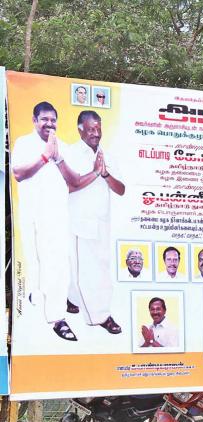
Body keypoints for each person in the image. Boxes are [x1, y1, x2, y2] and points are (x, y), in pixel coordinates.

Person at [11, 102, 85, 341]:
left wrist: (59, 158)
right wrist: (45, 157)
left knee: (59, 264)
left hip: (58, 216)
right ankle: (44, 303)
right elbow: (19, 173)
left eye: (53, 120)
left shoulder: (62, 147)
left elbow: (75, 181)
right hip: (34, 215)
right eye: (44, 119)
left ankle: (56, 312)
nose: (49, 124)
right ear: (34, 120)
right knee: (37, 261)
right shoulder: (24, 143)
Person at [64, 110, 125, 334]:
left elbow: (121, 190)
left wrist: (106, 174)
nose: (96, 133)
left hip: (102, 222)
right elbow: (70, 185)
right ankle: (101, 317)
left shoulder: (107, 155)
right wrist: (94, 173)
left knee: (94, 267)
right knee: (91, 272)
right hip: (79, 221)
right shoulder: (70, 153)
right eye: (91, 129)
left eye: (98, 128)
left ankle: (71, 299)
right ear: (80, 129)